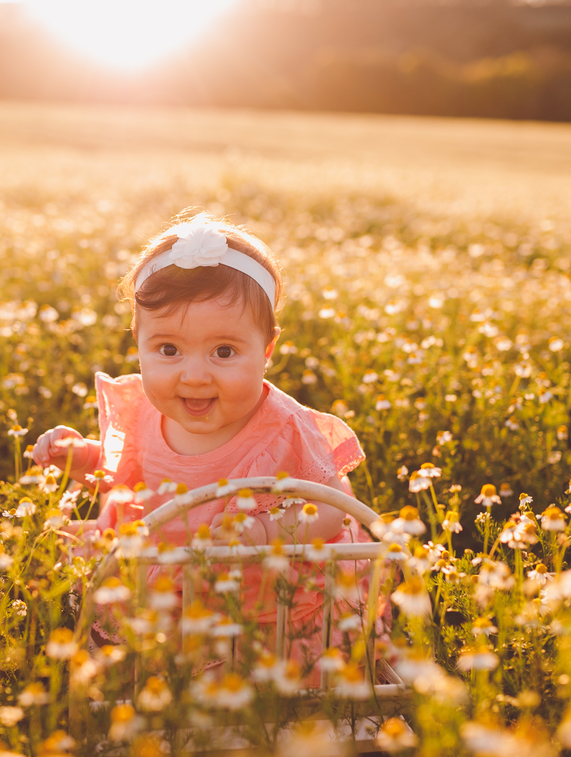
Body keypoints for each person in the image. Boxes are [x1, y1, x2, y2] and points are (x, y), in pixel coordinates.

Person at [32, 211, 370, 672]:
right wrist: (80, 457)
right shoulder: (146, 409)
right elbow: (128, 471)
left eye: (224, 352)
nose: (193, 375)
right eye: (168, 350)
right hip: (171, 576)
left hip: (257, 591)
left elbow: (331, 506)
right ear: (138, 341)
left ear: (267, 349)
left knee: (257, 674)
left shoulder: (283, 428)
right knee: (152, 660)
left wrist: (268, 532)